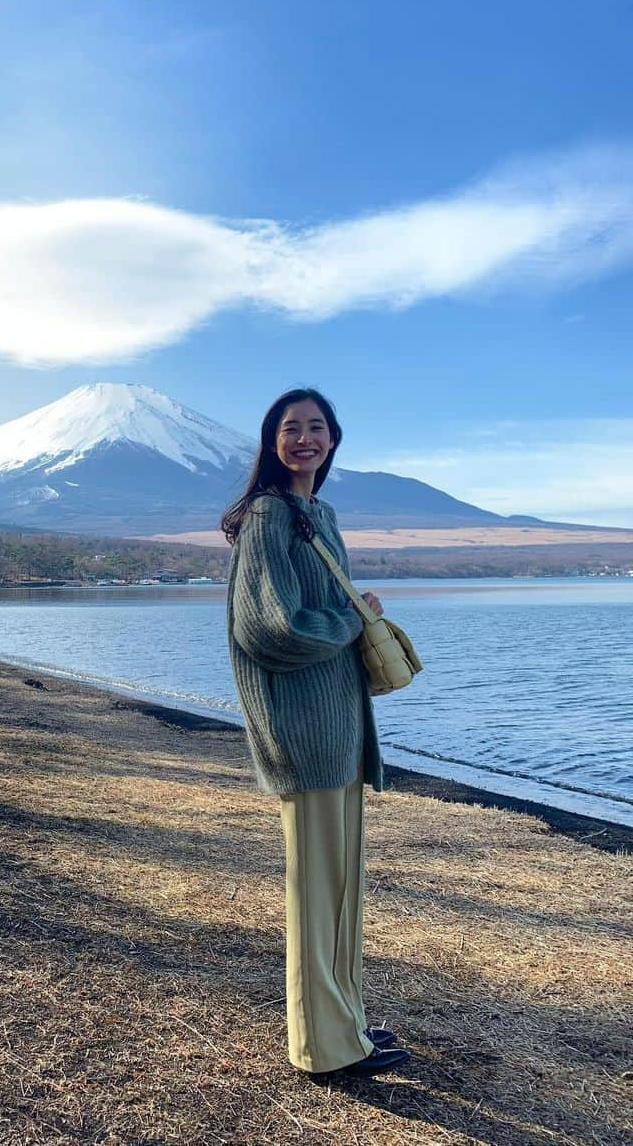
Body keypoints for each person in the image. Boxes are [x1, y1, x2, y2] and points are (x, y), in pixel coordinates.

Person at [222, 388, 409, 1077]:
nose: (305, 438)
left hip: (338, 726)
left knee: (341, 894)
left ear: (334, 439)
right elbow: (268, 628)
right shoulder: (269, 515)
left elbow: (322, 609)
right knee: (317, 895)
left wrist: (355, 609)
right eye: (290, 428)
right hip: (304, 731)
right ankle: (322, 1048)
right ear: (272, 441)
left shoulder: (316, 513)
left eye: (317, 428)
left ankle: (346, 1025)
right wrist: (348, 623)